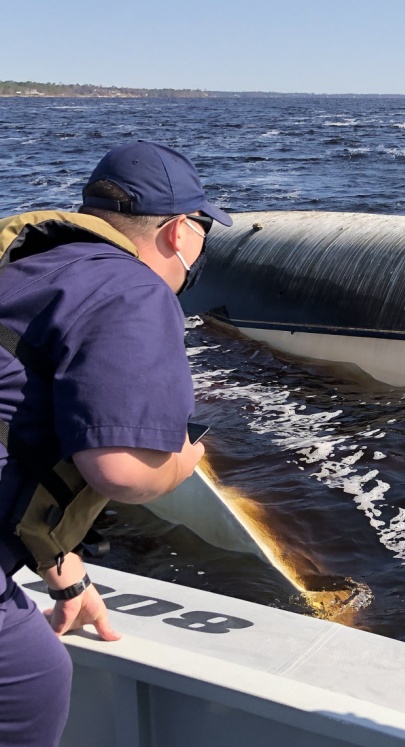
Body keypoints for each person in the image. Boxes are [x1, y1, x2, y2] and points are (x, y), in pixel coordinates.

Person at [0, 140, 231, 746]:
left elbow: (14, 426)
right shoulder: (133, 290)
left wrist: (64, 570)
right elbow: (122, 470)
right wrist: (180, 463)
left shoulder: (28, 268)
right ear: (180, 232)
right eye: (204, 229)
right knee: (31, 675)